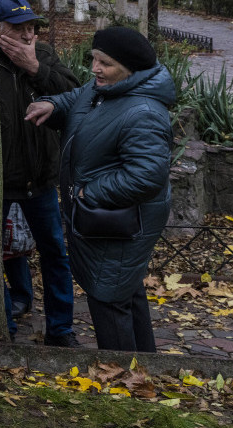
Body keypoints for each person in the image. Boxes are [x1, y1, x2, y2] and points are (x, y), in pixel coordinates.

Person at [25, 26, 175, 352]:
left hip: (119, 225)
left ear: (130, 67)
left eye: (104, 63)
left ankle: (123, 381)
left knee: (109, 299)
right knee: (125, 292)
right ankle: (148, 369)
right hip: (106, 223)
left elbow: (147, 176)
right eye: (94, 59)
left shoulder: (144, 112)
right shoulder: (106, 89)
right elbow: (78, 98)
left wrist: (85, 194)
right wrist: (53, 105)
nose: (95, 69)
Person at [0, 0, 80, 347]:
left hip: (41, 177)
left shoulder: (43, 56)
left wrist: (35, 69)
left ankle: (61, 331)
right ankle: (5, 330)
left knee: (55, 253)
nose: (28, 36)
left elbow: (77, 98)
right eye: (18, 29)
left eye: (32, 28)